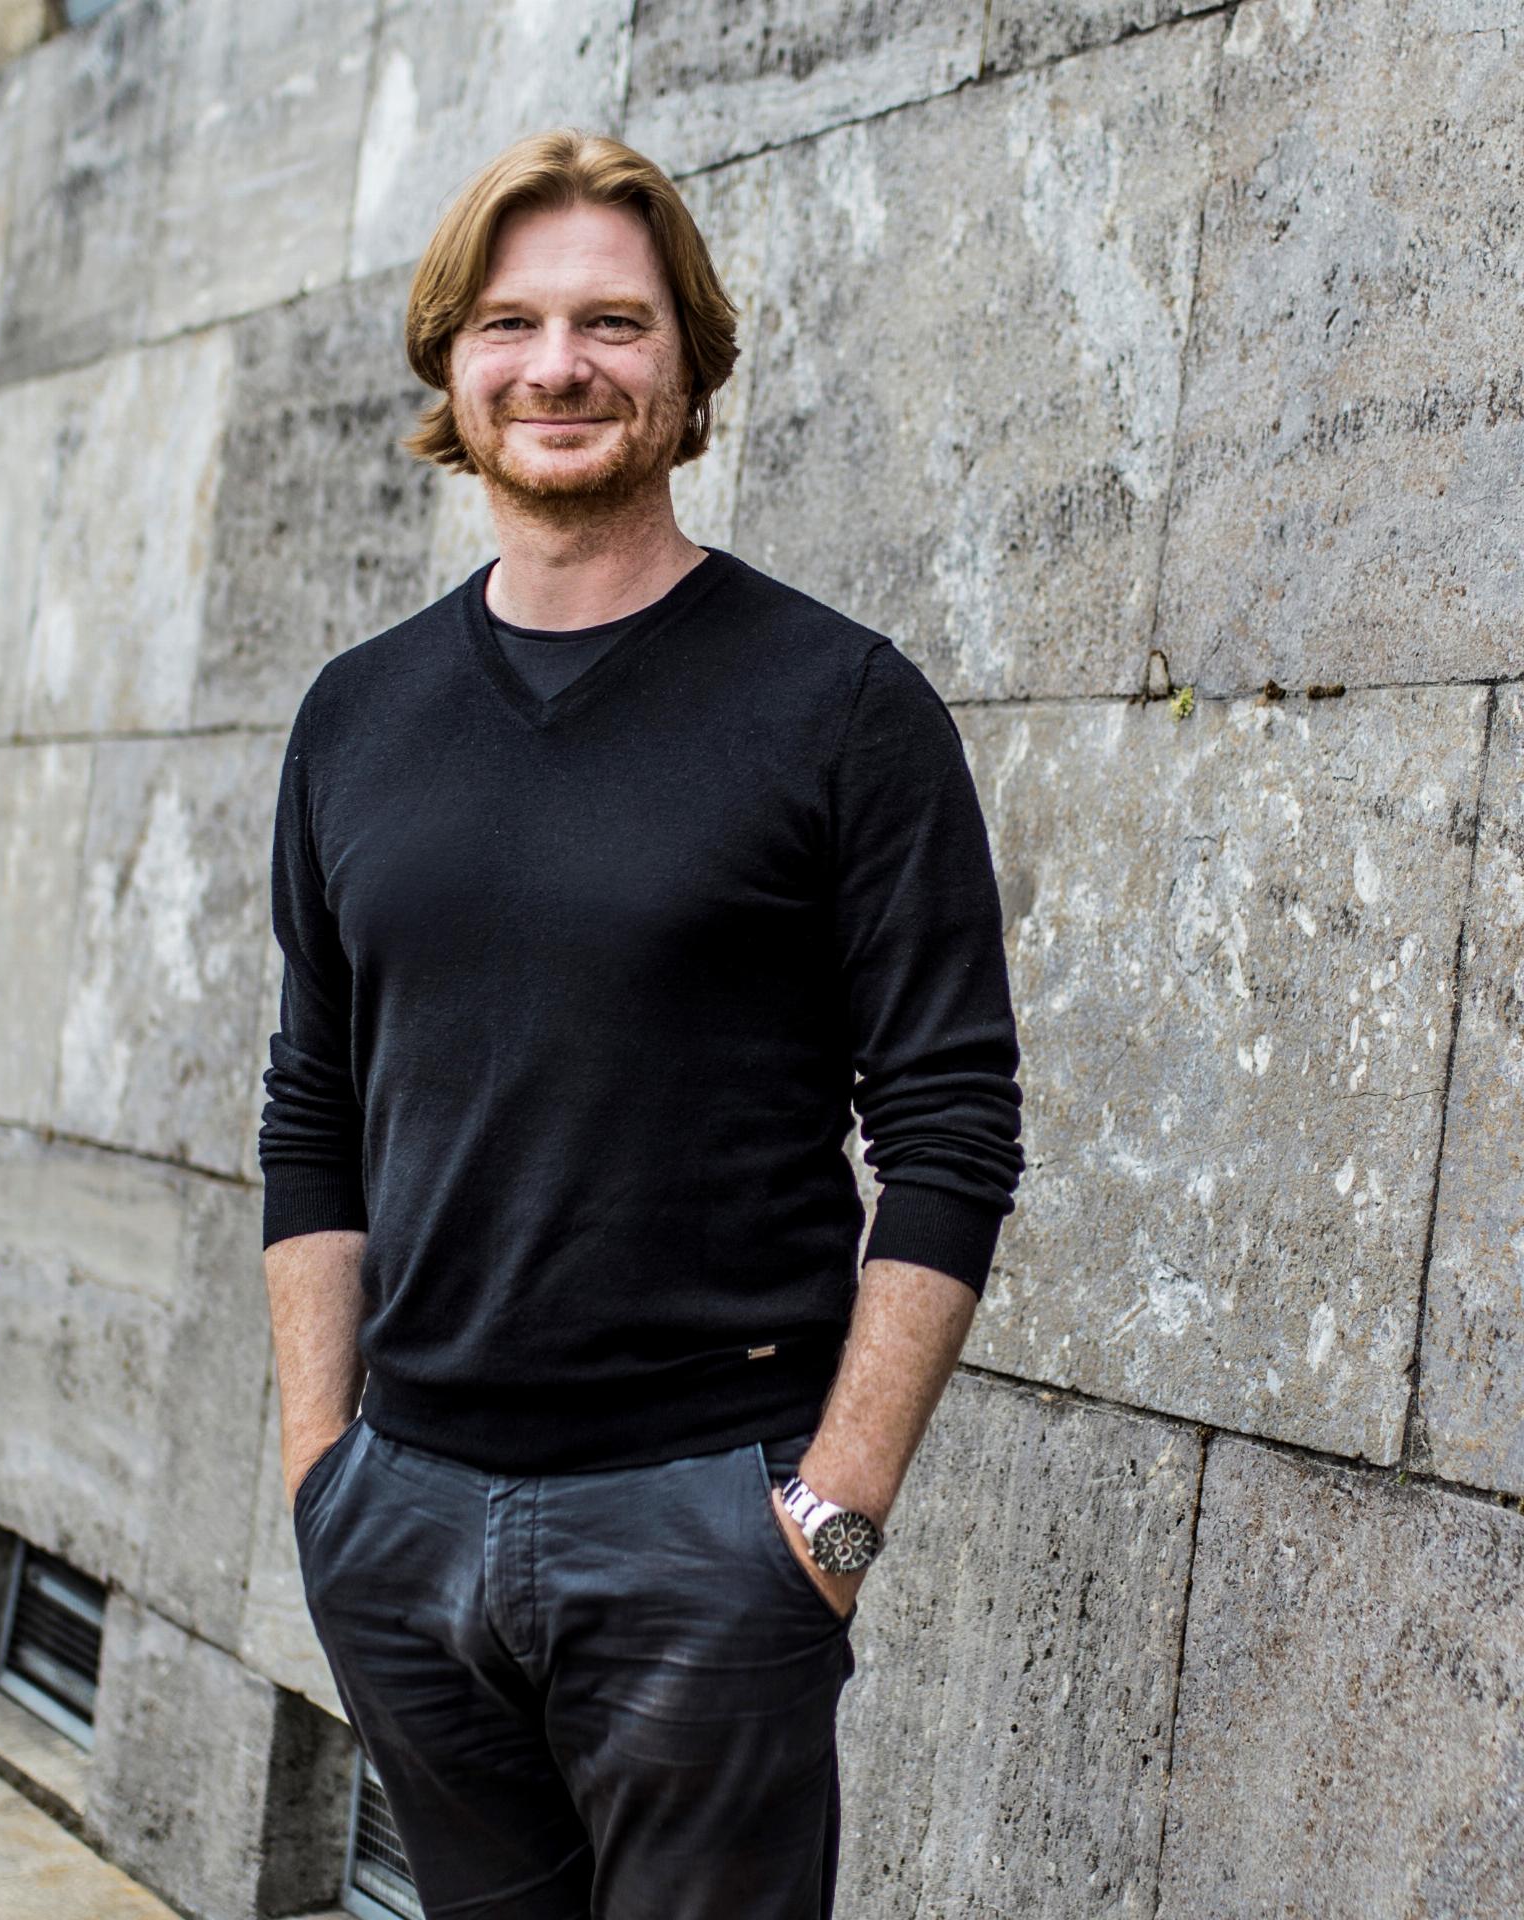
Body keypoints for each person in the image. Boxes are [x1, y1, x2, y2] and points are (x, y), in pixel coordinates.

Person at [256, 126, 1025, 1920]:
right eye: (511, 324)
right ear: (453, 365)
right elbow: (313, 1106)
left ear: (689, 369)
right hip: (404, 1519)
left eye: (613, 322)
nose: (559, 366)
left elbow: (951, 1128)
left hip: (706, 1529)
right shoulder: (356, 718)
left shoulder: (842, 705)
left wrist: (826, 1518)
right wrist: (322, 1477)